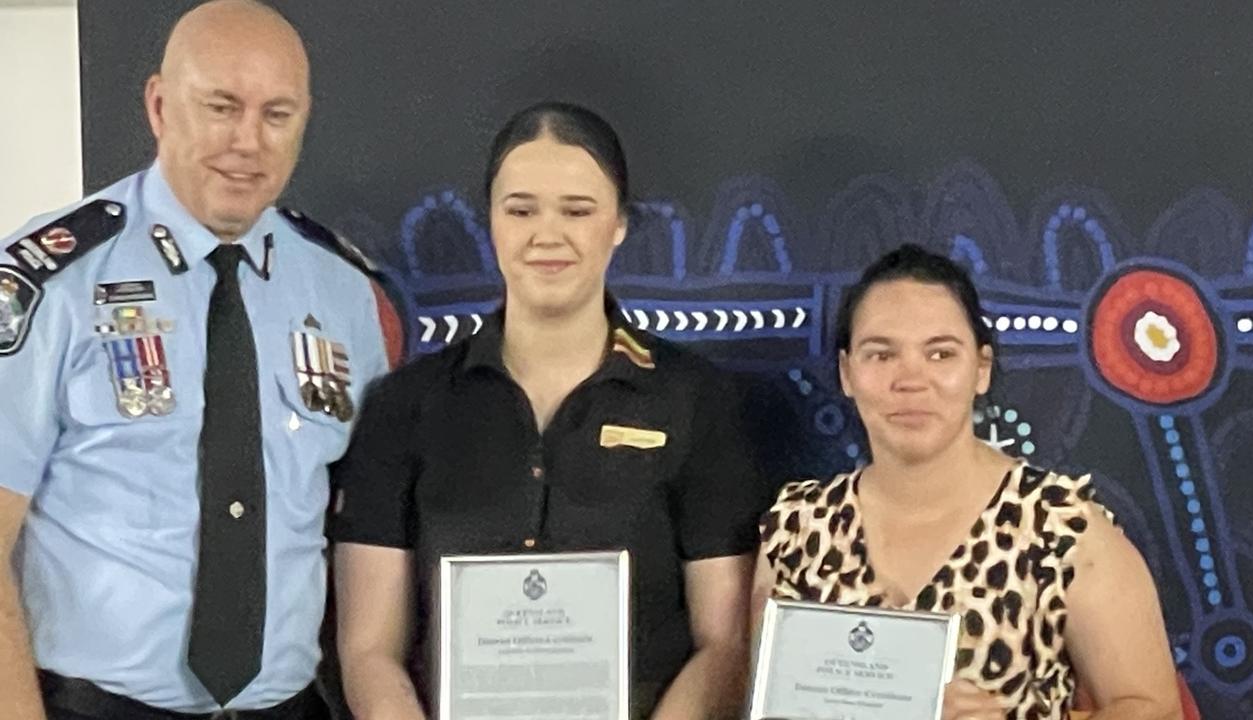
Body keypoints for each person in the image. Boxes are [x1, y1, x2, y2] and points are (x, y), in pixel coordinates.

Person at [0, 2, 402, 718]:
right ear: (159, 105)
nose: (247, 141)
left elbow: (363, 537)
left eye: (277, 115)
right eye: (221, 106)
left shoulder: (345, 295)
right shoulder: (49, 285)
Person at [328, 101, 767, 720]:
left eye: (578, 210)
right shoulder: (405, 406)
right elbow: (369, 648)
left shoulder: (696, 401)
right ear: (492, 223)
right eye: (521, 209)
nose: (547, 234)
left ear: (618, 223)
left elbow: (724, 646)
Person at [753, 245, 1181, 720]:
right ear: (846, 372)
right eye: (881, 354)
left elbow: (1156, 710)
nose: (911, 379)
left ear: (981, 369)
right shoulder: (797, 527)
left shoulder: (1061, 528)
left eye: (940, 353)